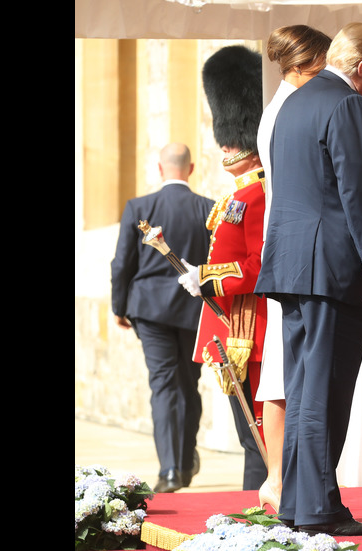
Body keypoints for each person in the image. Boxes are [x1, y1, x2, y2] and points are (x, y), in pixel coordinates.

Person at [254, 22, 362, 537]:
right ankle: (318, 509)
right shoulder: (347, 105)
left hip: (295, 266)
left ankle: (300, 503)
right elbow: (356, 191)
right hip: (334, 268)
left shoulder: (293, 102)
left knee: (304, 390)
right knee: (324, 392)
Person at [177, 44, 268, 493]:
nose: (227, 145)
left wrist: (208, 277)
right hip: (229, 325)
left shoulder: (260, 194)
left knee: (258, 434)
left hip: (250, 328)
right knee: (247, 432)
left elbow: (258, 264)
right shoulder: (237, 194)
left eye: (234, 138)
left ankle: (265, 509)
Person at [255, 24, 333, 515]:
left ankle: (280, 478)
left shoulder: (283, 105)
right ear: (306, 62)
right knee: (287, 376)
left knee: (286, 374)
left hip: (286, 249)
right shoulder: (290, 108)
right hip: (296, 253)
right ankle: (279, 478)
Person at [110, 142, 215, 493]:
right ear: (192, 168)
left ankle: (171, 469)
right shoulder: (208, 209)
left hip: (150, 310)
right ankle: (184, 460)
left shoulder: (140, 207)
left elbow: (122, 263)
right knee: (188, 382)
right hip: (192, 310)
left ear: (159, 168)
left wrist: (119, 306)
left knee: (164, 384)